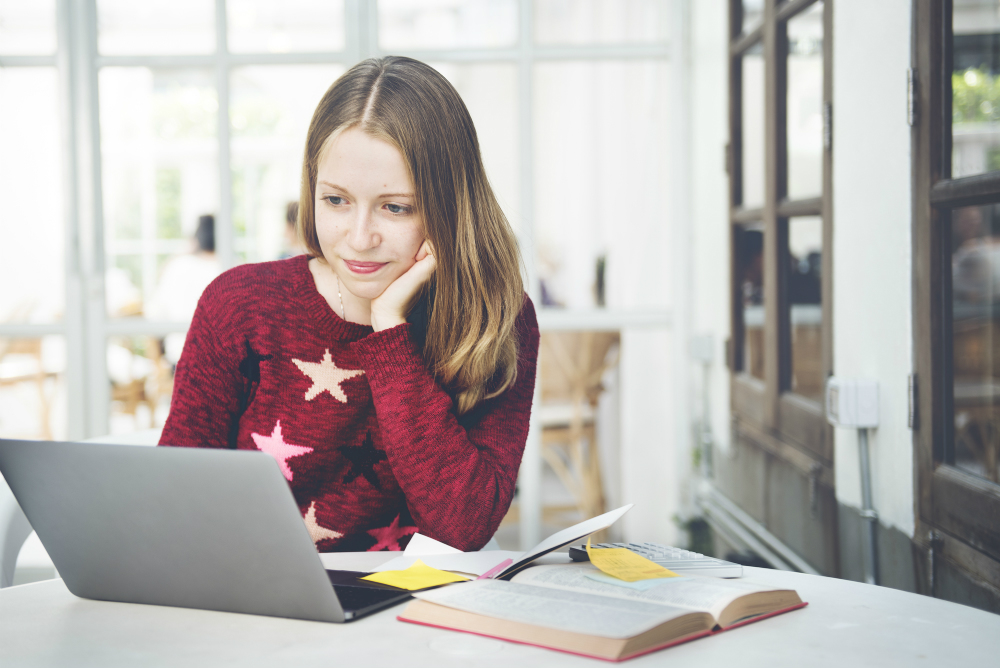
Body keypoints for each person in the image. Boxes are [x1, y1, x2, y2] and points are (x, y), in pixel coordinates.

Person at [159, 57, 539, 553]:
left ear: (450, 207)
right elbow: (174, 501)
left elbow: (465, 528)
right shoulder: (240, 306)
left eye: (395, 207)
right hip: (258, 607)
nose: (359, 239)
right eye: (336, 201)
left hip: (413, 617)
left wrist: (389, 335)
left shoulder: (495, 321)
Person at [146, 214, 223, 364]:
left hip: (181, 361)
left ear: (196, 239)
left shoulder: (178, 267)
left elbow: (154, 316)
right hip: (226, 365)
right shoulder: (235, 267)